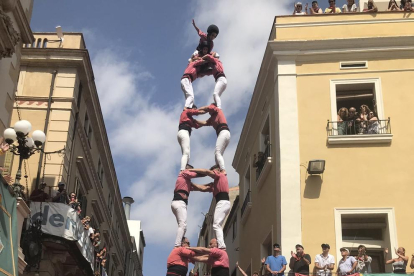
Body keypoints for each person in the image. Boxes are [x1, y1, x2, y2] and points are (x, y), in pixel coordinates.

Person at [189, 166, 230, 249]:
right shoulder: (216, 183)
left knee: (216, 225)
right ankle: (219, 244)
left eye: (213, 170)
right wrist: (190, 185)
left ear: (218, 170)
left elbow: (205, 171)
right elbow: (202, 188)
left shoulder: (220, 175)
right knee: (217, 226)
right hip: (223, 203)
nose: (212, 172)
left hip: (222, 202)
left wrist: (190, 170)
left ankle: (221, 246)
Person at [172, 164, 210, 247]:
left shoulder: (187, 182)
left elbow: (201, 188)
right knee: (183, 225)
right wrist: (210, 173)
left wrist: (210, 186)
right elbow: (200, 174)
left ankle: (181, 242)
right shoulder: (183, 173)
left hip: (179, 203)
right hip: (179, 202)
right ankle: (177, 245)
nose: (192, 173)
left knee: (183, 227)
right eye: (192, 170)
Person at [195, 104, 230, 171]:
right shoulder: (213, 117)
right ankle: (219, 170)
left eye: (209, 110)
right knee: (218, 155)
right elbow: (205, 123)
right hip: (224, 133)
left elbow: (206, 107)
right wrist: (194, 121)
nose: (208, 112)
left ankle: (223, 170)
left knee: (217, 152)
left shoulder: (217, 110)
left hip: (223, 132)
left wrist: (195, 111)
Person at [181, 43, 210, 109]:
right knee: (191, 96)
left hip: (188, 80)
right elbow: (200, 61)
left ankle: (191, 107)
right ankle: (186, 108)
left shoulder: (196, 71)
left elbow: (204, 73)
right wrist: (208, 59)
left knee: (190, 96)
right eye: (204, 49)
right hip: (186, 79)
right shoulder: (193, 63)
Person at [177, 106, 205, 171]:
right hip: (184, 132)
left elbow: (197, 125)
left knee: (187, 154)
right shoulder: (186, 111)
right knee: (186, 153)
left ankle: (185, 167)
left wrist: (209, 122)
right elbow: (197, 112)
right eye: (194, 109)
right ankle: (182, 170)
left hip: (182, 133)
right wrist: (207, 110)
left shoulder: (189, 118)